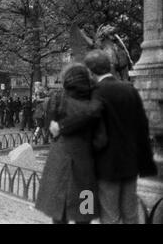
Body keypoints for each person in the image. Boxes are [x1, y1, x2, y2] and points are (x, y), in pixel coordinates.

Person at [49, 50, 157, 224]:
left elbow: (86, 117)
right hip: (130, 164)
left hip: (106, 165)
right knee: (131, 215)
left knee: (110, 216)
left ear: (91, 72)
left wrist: (60, 127)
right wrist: (145, 164)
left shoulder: (96, 93)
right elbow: (142, 127)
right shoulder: (129, 89)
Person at [35, 63, 99, 224]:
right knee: (85, 210)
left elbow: (50, 127)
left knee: (58, 209)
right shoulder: (95, 100)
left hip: (60, 155)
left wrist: (61, 128)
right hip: (87, 160)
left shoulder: (57, 98)